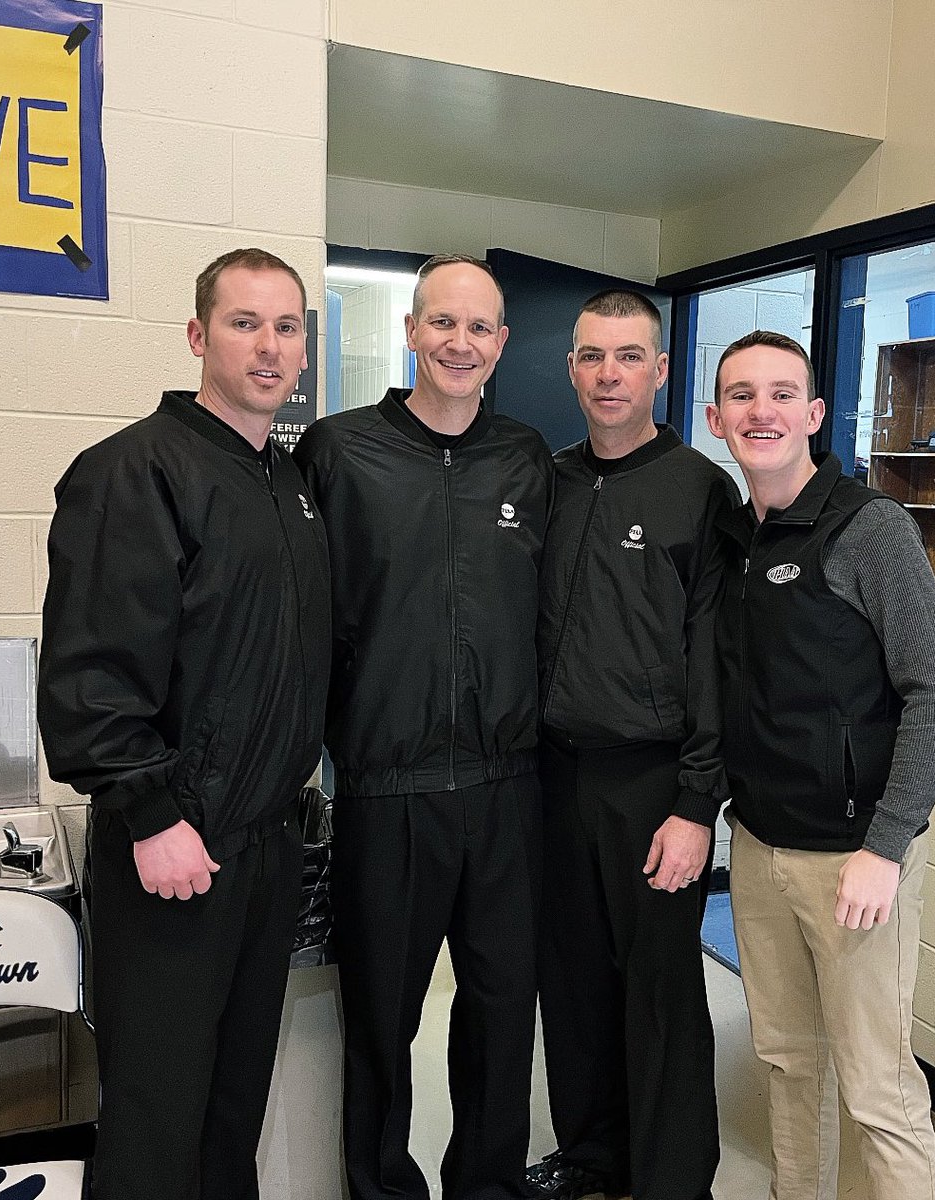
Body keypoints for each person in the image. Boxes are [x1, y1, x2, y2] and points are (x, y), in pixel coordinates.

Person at [37, 249, 332, 1200]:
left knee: (231, 1105)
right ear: (199, 336)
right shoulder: (134, 471)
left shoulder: (285, 483)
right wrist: (151, 812)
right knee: (158, 1113)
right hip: (173, 850)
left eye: (286, 327)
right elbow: (91, 670)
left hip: (264, 849)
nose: (269, 345)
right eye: (245, 323)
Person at [293, 254, 553, 1200]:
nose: (459, 343)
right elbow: (303, 615)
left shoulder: (527, 456)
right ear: (410, 331)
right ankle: (382, 1189)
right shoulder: (338, 450)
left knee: (496, 1013)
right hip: (385, 789)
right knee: (380, 1021)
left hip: (505, 792)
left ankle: (485, 1184)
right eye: (442, 323)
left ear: (501, 345)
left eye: (479, 328)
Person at [705, 329, 935, 1200]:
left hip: (856, 861)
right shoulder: (733, 538)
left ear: (814, 414)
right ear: (715, 418)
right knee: (785, 1063)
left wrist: (885, 846)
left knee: (877, 1089)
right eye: (741, 395)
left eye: (782, 393)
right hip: (758, 849)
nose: (761, 411)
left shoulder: (868, 527)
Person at [528, 290, 737, 1200]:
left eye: (627, 356)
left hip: (654, 782)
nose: (607, 373)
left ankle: (669, 1177)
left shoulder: (700, 490)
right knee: (570, 986)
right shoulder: (551, 480)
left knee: (657, 992)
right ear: (570, 368)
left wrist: (697, 804)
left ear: (659, 370)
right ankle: (591, 1155)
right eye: (590, 356)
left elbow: (718, 658)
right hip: (551, 776)